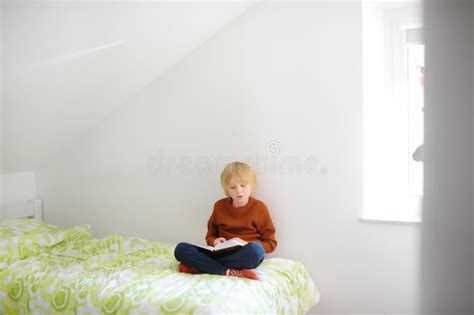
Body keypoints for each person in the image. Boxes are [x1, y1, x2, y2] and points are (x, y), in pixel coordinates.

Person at [174, 162, 277, 280]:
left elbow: (271, 243)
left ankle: (200, 267)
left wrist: (245, 244)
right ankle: (229, 271)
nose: (239, 191)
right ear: (227, 189)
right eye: (233, 187)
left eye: (243, 185)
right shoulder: (219, 206)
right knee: (181, 249)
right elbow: (210, 236)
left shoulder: (260, 208)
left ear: (252, 186)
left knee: (256, 251)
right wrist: (215, 242)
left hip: (244, 254)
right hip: (220, 253)